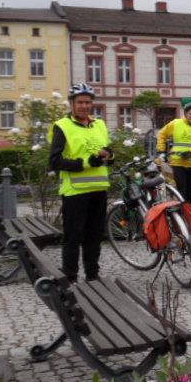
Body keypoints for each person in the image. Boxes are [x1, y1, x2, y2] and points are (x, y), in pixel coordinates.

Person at [48, 82, 113, 283]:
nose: (84, 106)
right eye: (80, 102)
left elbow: (107, 152)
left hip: (99, 189)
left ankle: (92, 276)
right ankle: (70, 277)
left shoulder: (99, 125)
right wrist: (86, 163)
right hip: (75, 191)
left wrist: (109, 155)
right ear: (72, 104)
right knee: (73, 237)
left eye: (87, 102)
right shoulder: (62, 126)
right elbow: (55, 161)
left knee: (94, 236)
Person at [157, 102, 191, 205]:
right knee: (182, 192)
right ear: (186, 113)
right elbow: (162, 134)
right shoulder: (176, 123)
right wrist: (161, 151)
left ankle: (189, 212)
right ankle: (182, 212)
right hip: (178, 163)